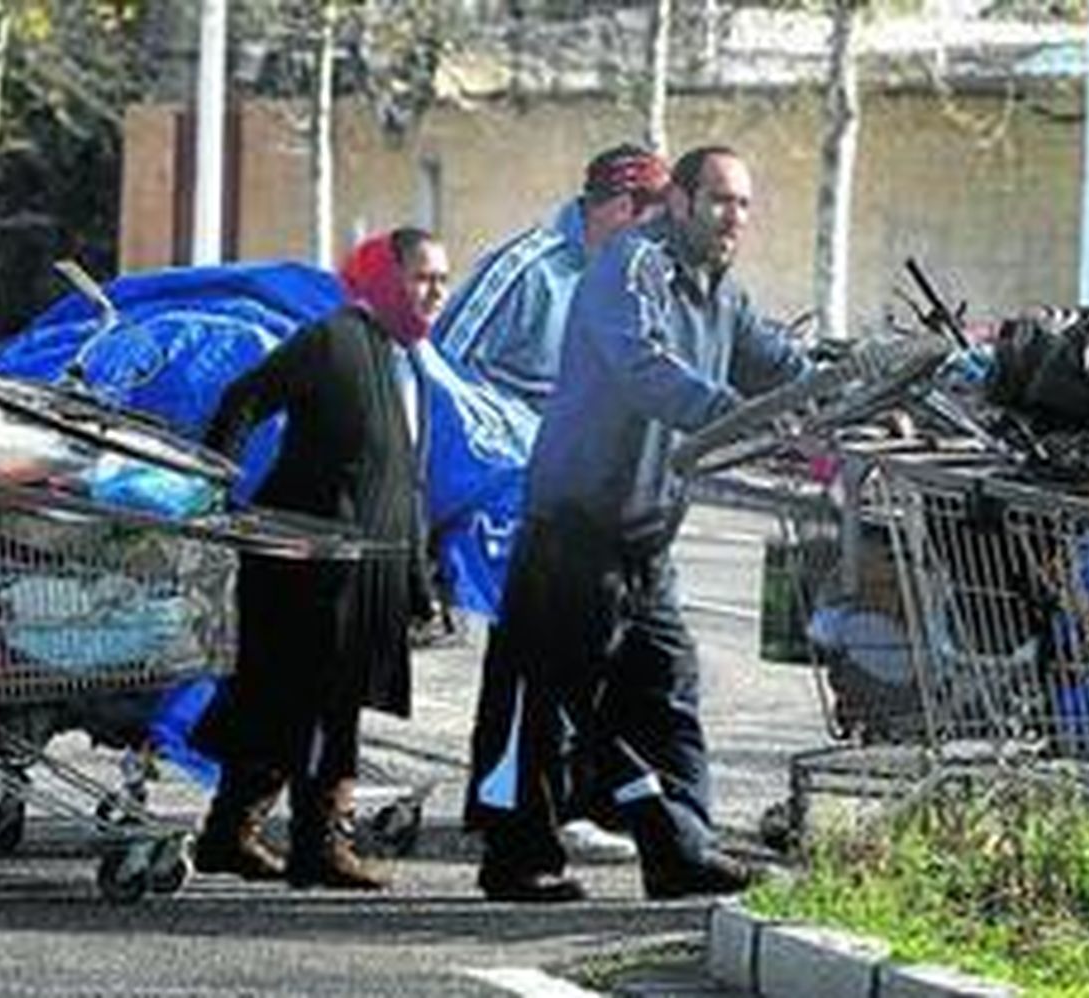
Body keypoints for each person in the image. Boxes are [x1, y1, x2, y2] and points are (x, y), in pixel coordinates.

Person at [464, 146, 811, 902]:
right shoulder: (631, 266)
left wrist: (858, 392)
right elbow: (641, 365)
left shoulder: (723, 295)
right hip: (575, 530)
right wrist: (732, 417)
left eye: (745, 205)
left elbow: (781, 364)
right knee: (554, 703)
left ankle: (678, 852)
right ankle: (518, 856)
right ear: (678, 202)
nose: (734, 218)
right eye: (719, 200)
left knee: (666, 692)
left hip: (647, 537)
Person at [191, 227, 448, 889]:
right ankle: (319, 844)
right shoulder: (334, 339)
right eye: (423, 277)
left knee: (285, 705)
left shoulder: (407, 359)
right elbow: (244, 399)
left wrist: (419, 582)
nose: (437, 292)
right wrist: (214, 485)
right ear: (385, 279)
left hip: (366, 570)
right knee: (319, 709)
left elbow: (404, 482)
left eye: (443, 278)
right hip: (310, 565)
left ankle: (229, 832)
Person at [436, 144, 670, 864]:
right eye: (655, 222)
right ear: (620, 211)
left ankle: (566, 796)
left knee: (597, 652)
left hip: (593, 494)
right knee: (538, 656)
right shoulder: (531, 269)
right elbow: (441, 362)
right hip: (513, 487)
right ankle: (522, 805)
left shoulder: (636, 277)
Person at [437, 144, 671, 413]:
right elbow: (442, 371)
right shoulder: (526, 272)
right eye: (658, 223)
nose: (660, 240)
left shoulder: (640, 282)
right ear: (623, 208)